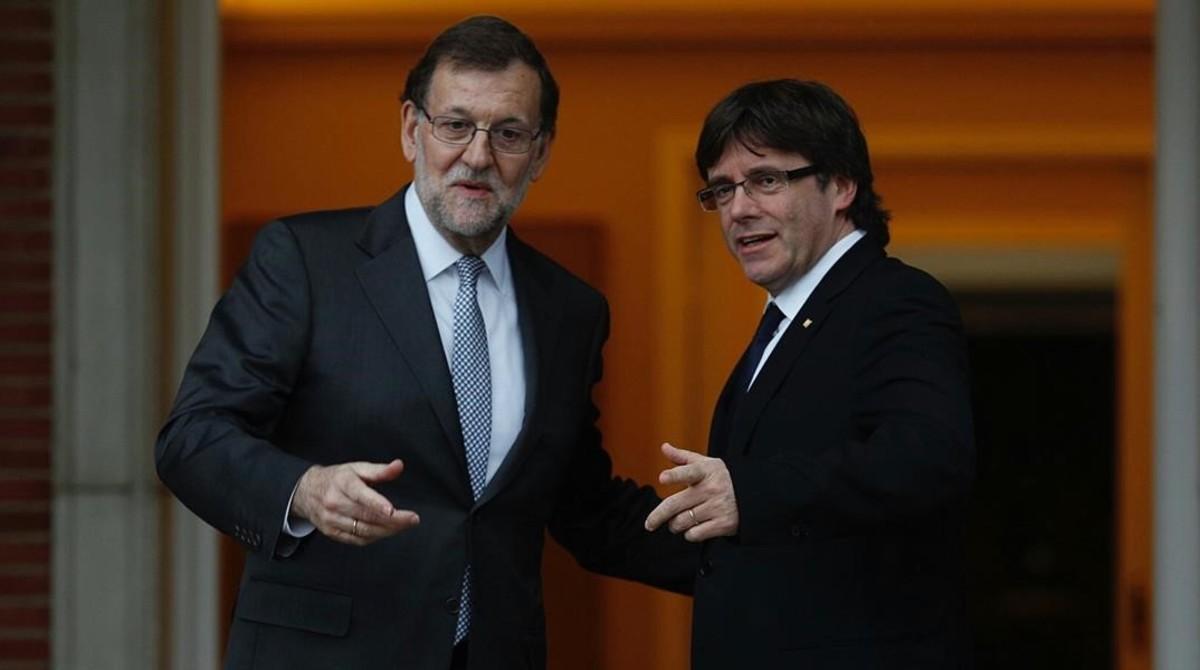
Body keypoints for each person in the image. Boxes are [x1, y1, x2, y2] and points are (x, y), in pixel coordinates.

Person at [156, 16, 692, 670]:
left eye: (509, 133)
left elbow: (582, 504)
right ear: (412, 129)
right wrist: (303, 489)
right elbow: (193, 438)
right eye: (455, 125)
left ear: (543, 152)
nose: (477, 156)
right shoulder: (305, 261)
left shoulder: (570, 312)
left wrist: (761, 553)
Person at [645, 80, 975, 668]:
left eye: (767, 180)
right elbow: (750, 543)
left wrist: (750, 492)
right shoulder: (786, 321)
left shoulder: (894, 299)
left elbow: (926, 456)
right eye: (722, 189)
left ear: (842, 185)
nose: (739, 208)